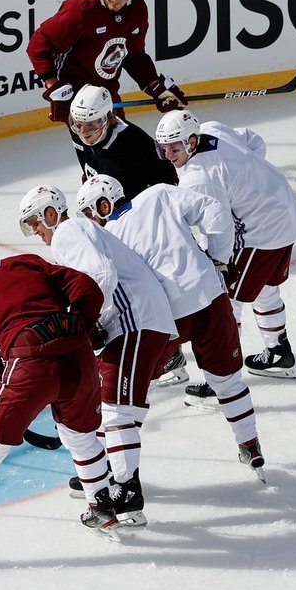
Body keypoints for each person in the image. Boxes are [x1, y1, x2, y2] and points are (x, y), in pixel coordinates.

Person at [0, 231, 120, 564]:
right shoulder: (27, 262)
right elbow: (87, 288)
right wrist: (80, 329)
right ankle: (102, 509)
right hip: (79, 357)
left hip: (27, 360)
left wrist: (16, 398)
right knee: (81, 437)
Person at [76, 175, 268, 482]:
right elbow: (215, 211)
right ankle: (250, 443)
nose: (90, 221)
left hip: (165, 318)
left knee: (130, 395)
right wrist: (217, 257)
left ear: (102, 204)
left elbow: (110, 284)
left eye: (89, 213)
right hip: (210, 298)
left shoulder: (109, 236)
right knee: (229, 381)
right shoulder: (158, 194)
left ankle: (111, 464)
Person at [18, 184, 177, 527]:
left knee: (116, 410)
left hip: (135, 320)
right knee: (116, 408)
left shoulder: (67, 230)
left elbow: (101, 275)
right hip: (139, 321)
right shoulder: (74, 235)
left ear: (51, 212)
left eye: (35, 222)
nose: (35, 232)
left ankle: (126, 489)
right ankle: (112, 477)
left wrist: (87, 322)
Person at [155, 109, 296, 400]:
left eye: (174, 147)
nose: (168, 154)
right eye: (163, 148)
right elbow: (254, 141)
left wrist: (217, 263)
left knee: (225, 302)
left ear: (191, 141)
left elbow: (219, 226)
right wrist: (251, 183)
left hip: (261, 233)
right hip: (285, 210)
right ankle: (278, 351)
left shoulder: (199, 177)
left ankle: (222, 379)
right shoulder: (213, 129)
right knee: (265, 286)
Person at [68, 84, 186, 387]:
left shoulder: (135, 144)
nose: (84, 132)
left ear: (107, 119)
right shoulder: (80, 134)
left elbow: (168, 186)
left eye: (92, 125)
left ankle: (168, 350)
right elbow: (89, 165)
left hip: (139, 227)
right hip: (109, 222)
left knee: (150, 286)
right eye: (77, 124)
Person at [26, 0, 186, 126]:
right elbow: (39, 44)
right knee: (100, 146)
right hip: (78, 98)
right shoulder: (81, 8)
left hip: (108, 94)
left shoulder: (137, 10)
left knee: (121, 145)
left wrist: (156, 87)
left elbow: (134, 56)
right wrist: (53, 85)